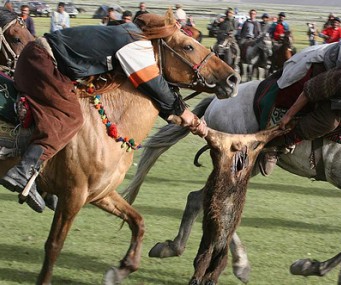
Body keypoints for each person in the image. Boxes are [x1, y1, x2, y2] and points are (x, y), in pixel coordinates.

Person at [0, 17, 207, 212]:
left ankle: (46, 184)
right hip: (41, 61)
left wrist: (178, 115)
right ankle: (23, 171)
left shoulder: (130, 37)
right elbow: (154, 86)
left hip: (46, 61)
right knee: (70, 116)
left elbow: (151, 88)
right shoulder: (136, 45)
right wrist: (184, 114)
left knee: (66, 112)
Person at [259, 39, 341, 176]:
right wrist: (289, 116)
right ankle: (276, 144)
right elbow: (314, 88)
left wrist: (339, 123)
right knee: (327, 121)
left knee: (336, 123)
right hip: (329, 64)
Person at [214, 7, 240, 71]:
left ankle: (235, 64)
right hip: (222, 39)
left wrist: (232, 33)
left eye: (231, 13)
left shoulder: (234, 21)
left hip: (231, 39)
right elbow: (215, 25)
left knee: (237, 50)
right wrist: (217, 21)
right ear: (226, 13)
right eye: (228, 13)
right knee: (217, 49)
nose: (229, 14)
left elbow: (236, 30)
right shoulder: (223, 20)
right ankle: (216, 63)